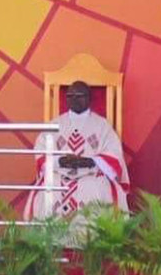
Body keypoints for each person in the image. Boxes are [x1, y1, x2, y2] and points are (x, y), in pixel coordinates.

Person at [25, 81, 130, 219]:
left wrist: (91, 161)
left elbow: (114, 154)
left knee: (93, 188)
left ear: (89, 98)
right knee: (50, 189)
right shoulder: (54, 125)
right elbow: (41, 151)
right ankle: (53, 233)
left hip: (91, 175)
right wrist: (59, 160)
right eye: (70, 96)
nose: (74, 99)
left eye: (79, 95)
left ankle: (91, 233)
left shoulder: (102, 126)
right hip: (60, 173)